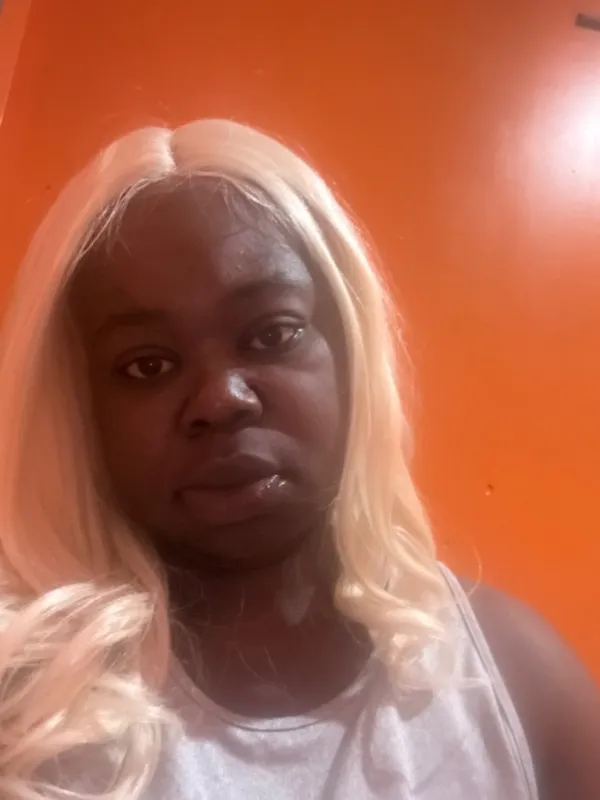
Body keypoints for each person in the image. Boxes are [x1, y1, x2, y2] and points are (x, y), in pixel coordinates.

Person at [0, 119, 597, 800]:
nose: (220, 399)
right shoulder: (25, 706)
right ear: (78, 406)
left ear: (350, 349)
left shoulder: (517, 685)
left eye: (272, 333)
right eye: (148, 365)